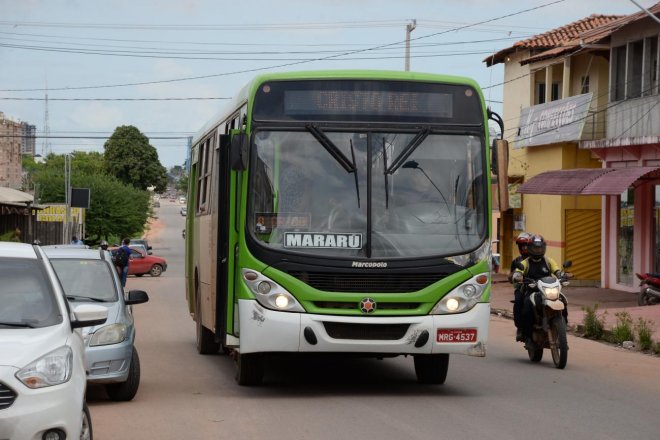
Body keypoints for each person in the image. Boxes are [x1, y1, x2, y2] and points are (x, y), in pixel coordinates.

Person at [512, 234, 562, 342]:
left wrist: (562, 275)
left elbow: (557, 270)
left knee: (562, 300)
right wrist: (517, 276)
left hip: (546, 290)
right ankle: (527, 335)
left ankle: (562, 326)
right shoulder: (525, 263)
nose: (538, 250)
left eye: (540, 248)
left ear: (543, 248)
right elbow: (518, 272)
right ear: (530, 248)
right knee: (526, 308)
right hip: (531, 290)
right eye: (535, 248)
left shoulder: (549, 261)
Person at [508, 232, 531, 341]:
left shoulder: (539, 258)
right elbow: (510, 277)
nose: (523, 248)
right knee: (518, 301)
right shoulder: (516, 261)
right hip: (522, 288)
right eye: (521, 246)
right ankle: (520, 328)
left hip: (538, 287)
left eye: (526, 245)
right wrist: (514, 277)